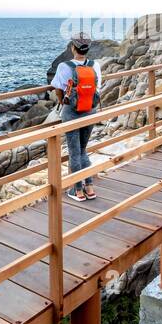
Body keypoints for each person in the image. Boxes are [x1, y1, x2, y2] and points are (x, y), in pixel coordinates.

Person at [51, 34, 102, 201]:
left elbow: (58, 89)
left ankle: (77, 191)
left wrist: (63, 103)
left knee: (74, 152)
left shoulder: (64, 66)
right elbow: (97, 88)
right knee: (82, 149)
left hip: (72, 113)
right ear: (87, 49)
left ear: (73, 48)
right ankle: (90, 188)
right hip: (90, 111)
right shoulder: (96, 66)